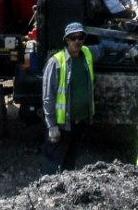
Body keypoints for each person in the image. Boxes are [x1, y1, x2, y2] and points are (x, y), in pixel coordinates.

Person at [41, 21, 94, 174]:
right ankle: (48, 194)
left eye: (80, 37)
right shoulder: (56, 62)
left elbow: (103, 49)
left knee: (70, 163)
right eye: (73, 38)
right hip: (61, 125)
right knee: (52, 164)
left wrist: (127, 48)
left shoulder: (87, 54)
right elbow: (48, 96)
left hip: (78, 122)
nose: (77, 41)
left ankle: (65, 193)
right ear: (66, 40)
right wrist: (51, 126)